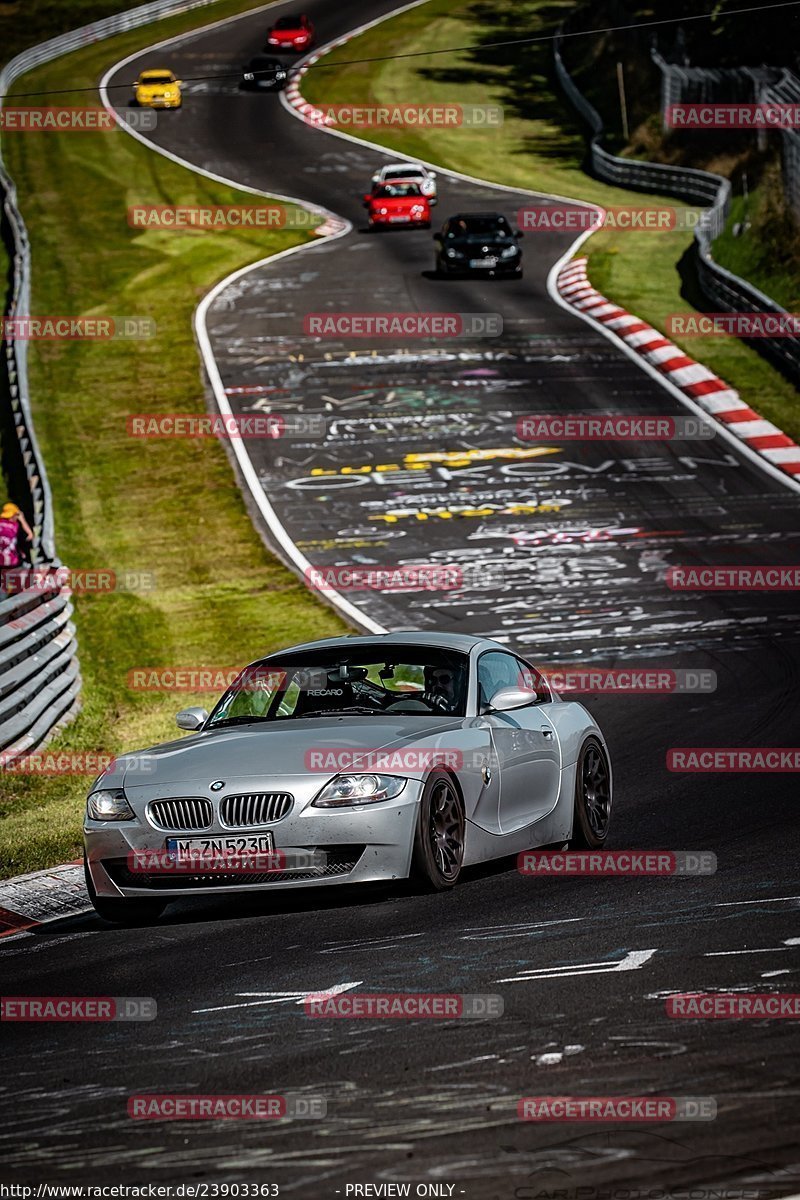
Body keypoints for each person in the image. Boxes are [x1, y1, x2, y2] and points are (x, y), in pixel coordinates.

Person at [0, 502, 33, 599]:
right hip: (12, 565)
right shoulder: (16, 527)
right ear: (15, 515)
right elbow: (30, 536)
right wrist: (22, 520)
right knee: (26, 566)